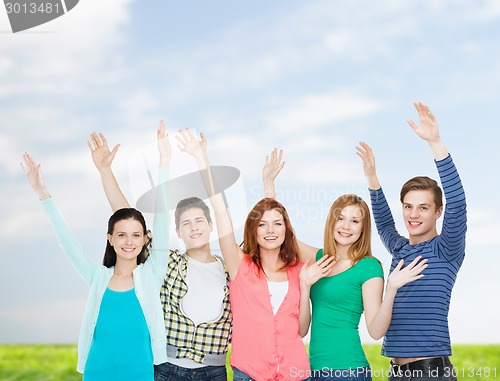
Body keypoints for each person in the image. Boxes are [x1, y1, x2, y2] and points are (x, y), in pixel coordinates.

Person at [176, 129, 336, 381]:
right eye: (262, 225)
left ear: (287, 229)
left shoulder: (299, 270)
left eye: (278, 224)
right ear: (253, 230)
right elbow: (220, 211)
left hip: (295, 373)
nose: (270, 230)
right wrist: (201, 157)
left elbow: (302, 330)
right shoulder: (240, 265)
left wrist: (305, 288)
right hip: (249, 373)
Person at [21, 122, 171, 381]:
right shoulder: (98, 278)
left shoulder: (153, 273)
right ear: (110, 239)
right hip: (97, 372)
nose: (129, 241)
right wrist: (43, 194)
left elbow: (163, 217)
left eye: (136, 235)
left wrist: (164, 161)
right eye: (121, 235)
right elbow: (68, 243)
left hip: (140, 374)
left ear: (145, 239)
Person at [263, 151, 427, 381]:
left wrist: (391, 289)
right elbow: (281, 236)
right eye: (340, 218)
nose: (346, 226)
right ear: (332, 221)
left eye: (354, 220)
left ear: (363, 228)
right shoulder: (319, 258)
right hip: (313, 369)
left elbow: (376, 330)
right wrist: (268, 184)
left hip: (348, 370)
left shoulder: (368, 267)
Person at [88, 126, 231, 381]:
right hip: (168, 369)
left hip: (214, 370)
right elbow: (128, 219)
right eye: (186, 223)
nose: (194, 227)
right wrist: (105, 171)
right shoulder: (168, 261)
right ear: (177, 231)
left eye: (199, 220)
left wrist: (201, 158)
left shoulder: (230, 268)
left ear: (211, 226)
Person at [356, 101, 467, 381]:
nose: (413, 215)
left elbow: (458, 202)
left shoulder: (446, 249)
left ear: (438, 211)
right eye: (408, 206)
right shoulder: (400, 249)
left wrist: (435, 143)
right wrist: (371, 177)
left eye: (423, 207)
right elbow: (382, 222)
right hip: (397, 372)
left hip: (430, 372)